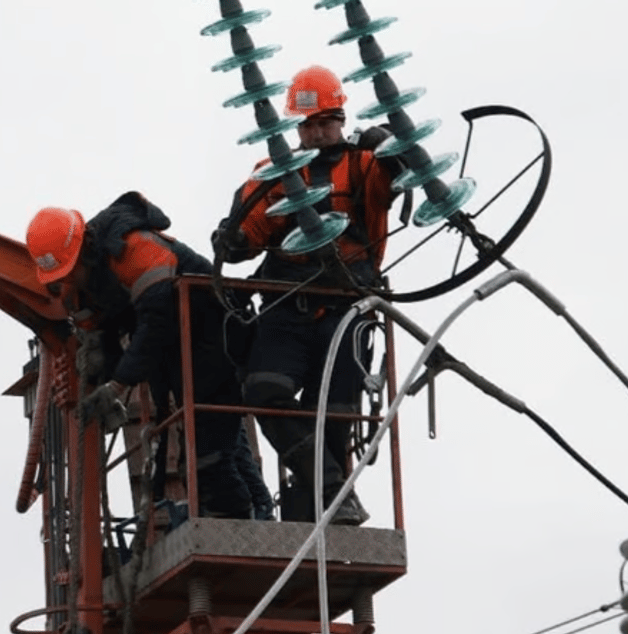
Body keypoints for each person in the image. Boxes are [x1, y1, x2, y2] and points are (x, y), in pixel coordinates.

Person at [212, 65, 401, 525]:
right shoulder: (272, 174)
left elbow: (399, 174)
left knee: (336, 414)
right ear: (296, 128)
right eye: (309, 125)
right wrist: (234, 240)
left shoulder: (364, 165)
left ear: (340, 119)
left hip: (346, 307)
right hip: (288, 307)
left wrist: (391, 145)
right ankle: (333, 490)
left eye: (325, 123)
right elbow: (250, 228)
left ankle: (327, 498)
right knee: (263, 390)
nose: (317, 133)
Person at [25, 191, 259, 521]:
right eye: (60, 277)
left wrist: (118, 385)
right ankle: (232, 513)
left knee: (211, 447)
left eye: (69, 271)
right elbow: (104, 334)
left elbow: (158, 319)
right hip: (177, 351)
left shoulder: (133, 248)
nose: (68, 280)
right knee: (203, 442)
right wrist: (103, 380)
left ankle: (241, 518)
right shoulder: (84, 285)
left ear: (84, 249)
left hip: (213, 333)